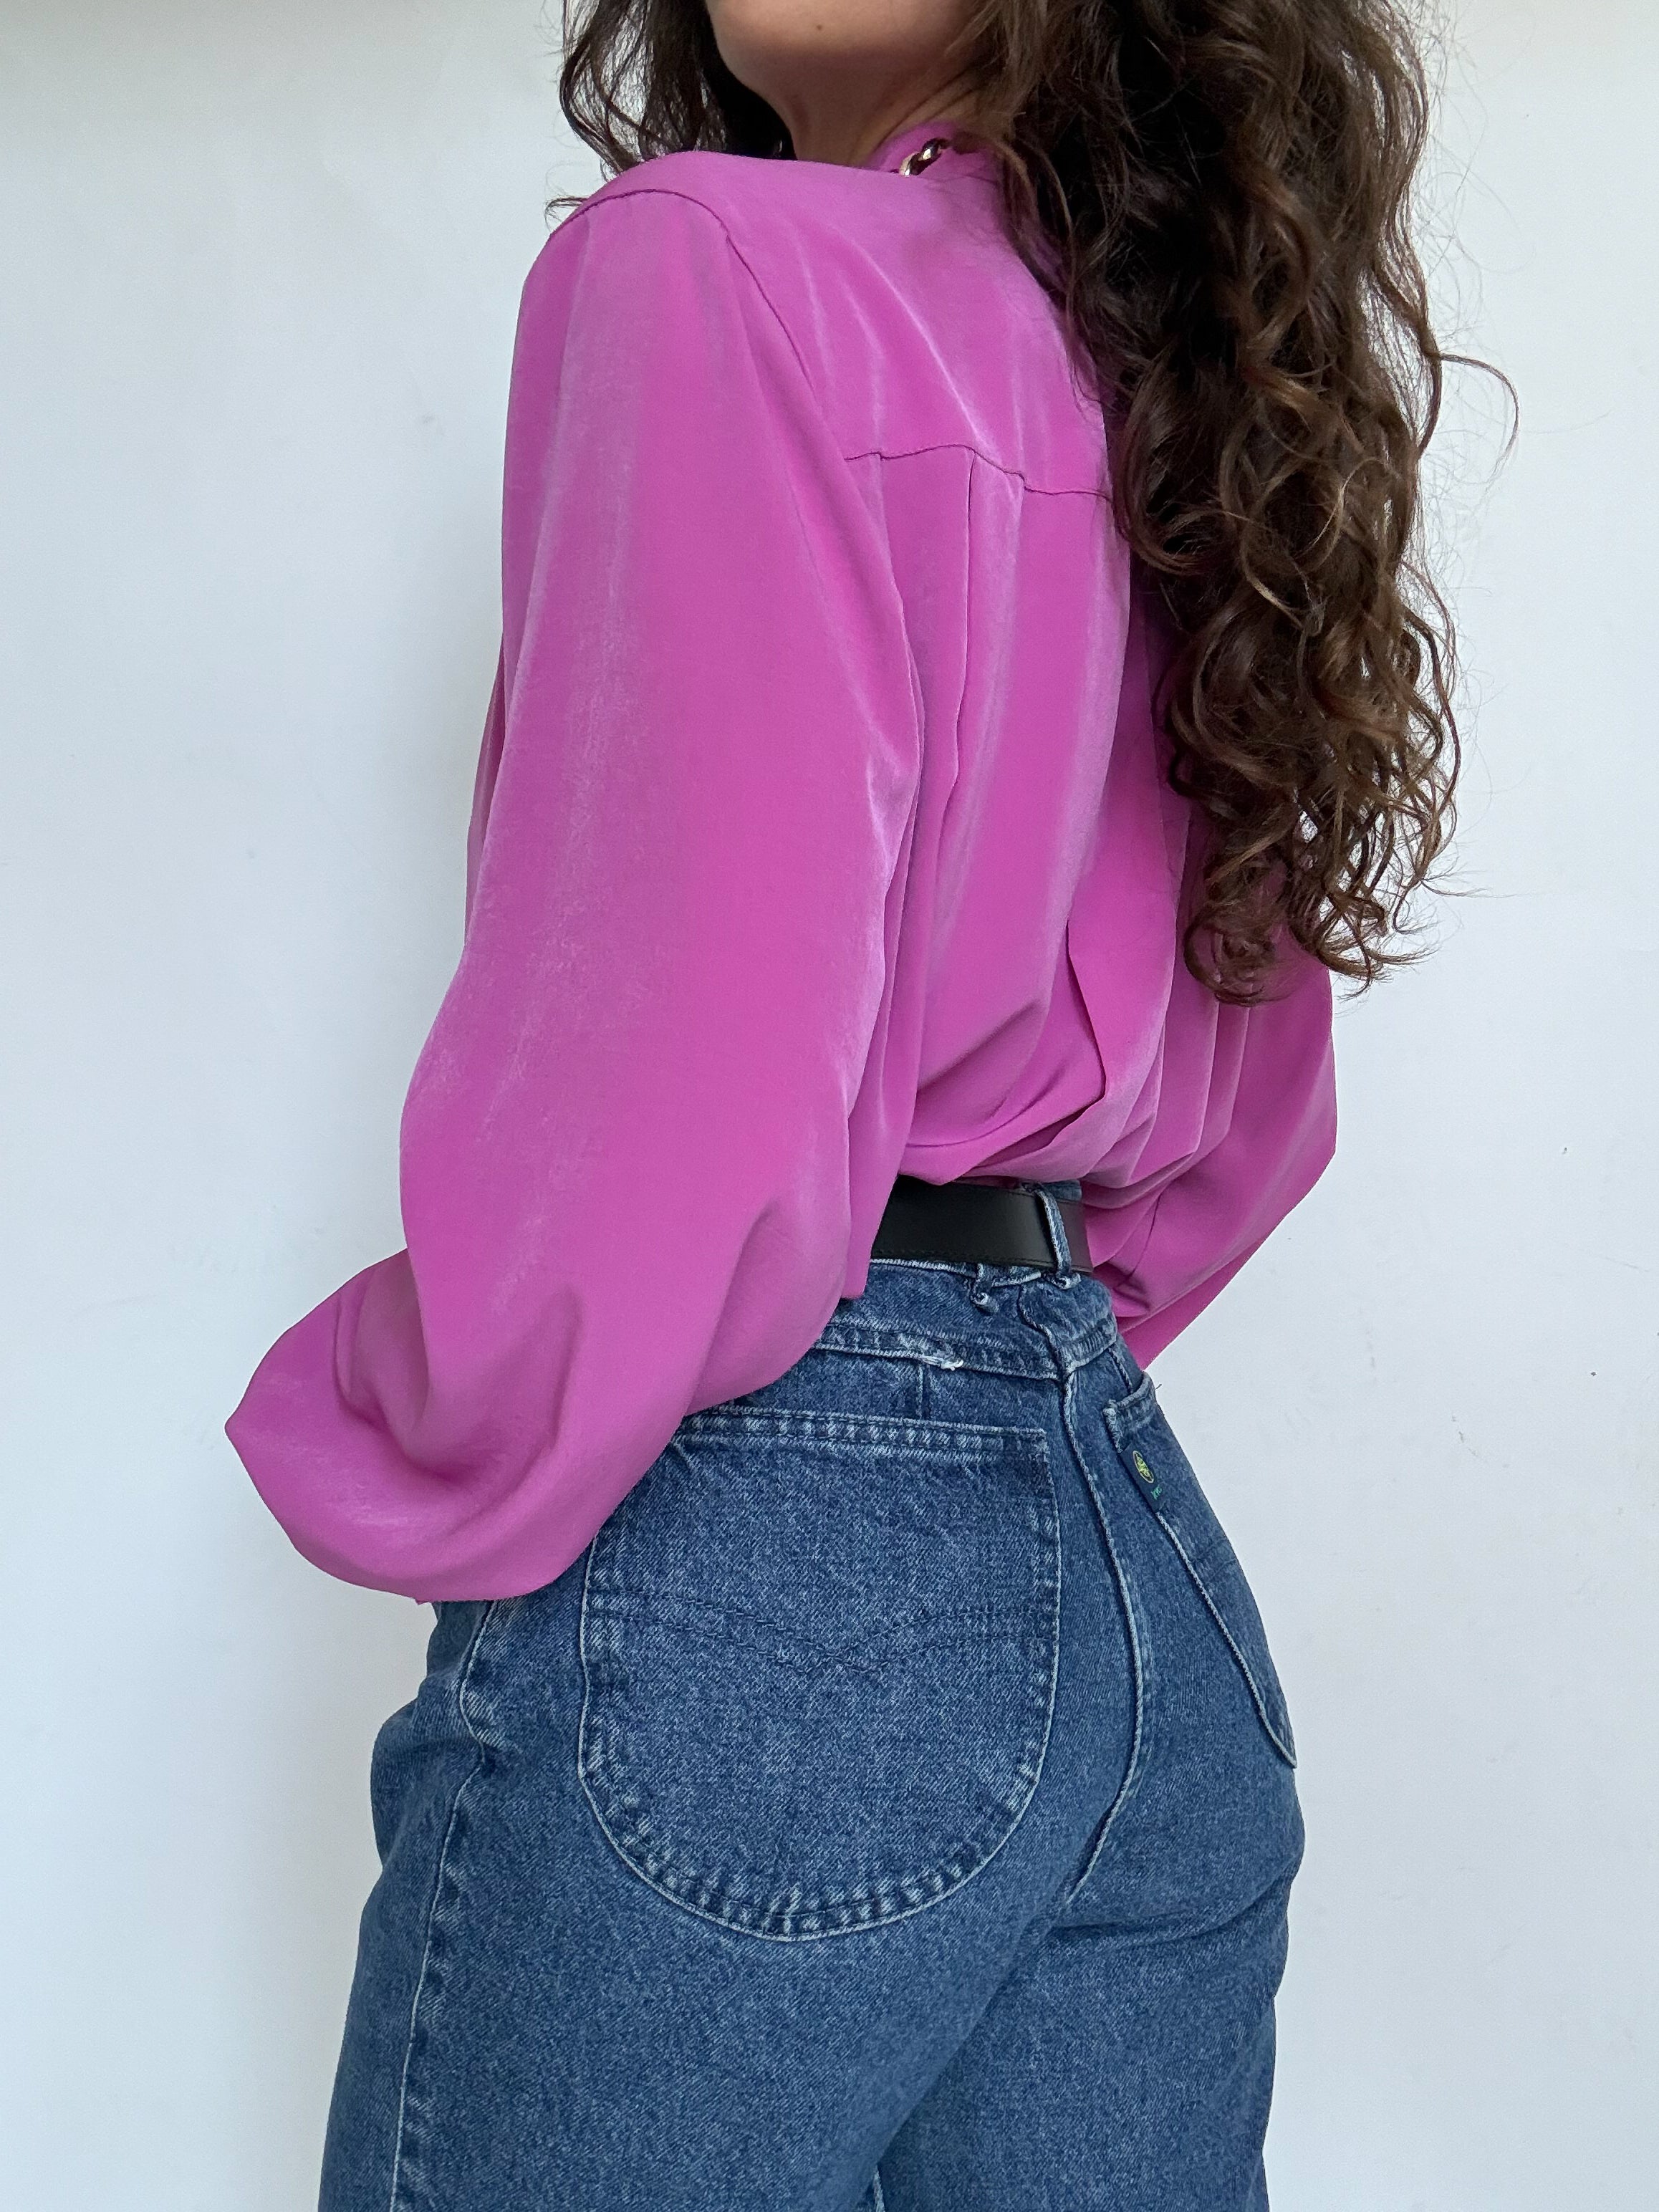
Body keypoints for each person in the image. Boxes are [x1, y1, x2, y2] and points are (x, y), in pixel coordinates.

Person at [226, 0, 1462, 2201]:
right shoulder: (1196, 406)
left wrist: (422, 1401)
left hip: (766, 1571)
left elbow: (667, 1072)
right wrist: (986, 1365)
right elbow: (1248, 1121)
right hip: (1136, 1585)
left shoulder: (707, 265)